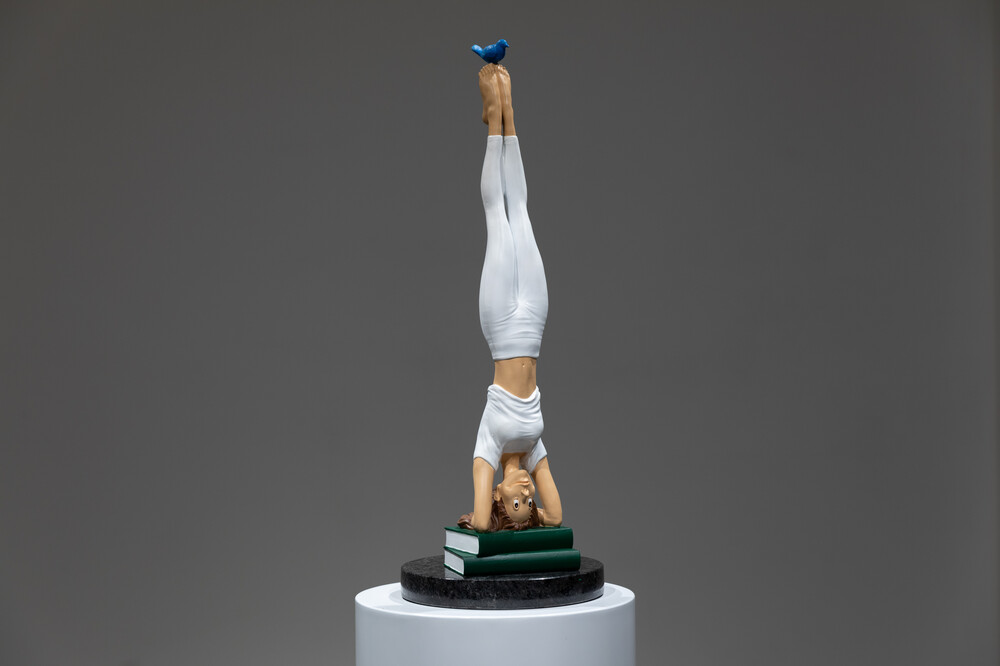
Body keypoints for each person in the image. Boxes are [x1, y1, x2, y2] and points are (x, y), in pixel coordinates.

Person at [459, 64, 563, 533]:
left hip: (502, 327)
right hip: (534, 325)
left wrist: (490, 520)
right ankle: (508, 112)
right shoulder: (533, 447)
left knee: (496, 218)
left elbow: (482, 523)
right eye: (528, 501)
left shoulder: (489, 444)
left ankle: (493, 119)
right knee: (521, 212)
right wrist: (532, 518)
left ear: (498, 495)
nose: (527, 491)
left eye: (515, 501)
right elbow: (555, 517)